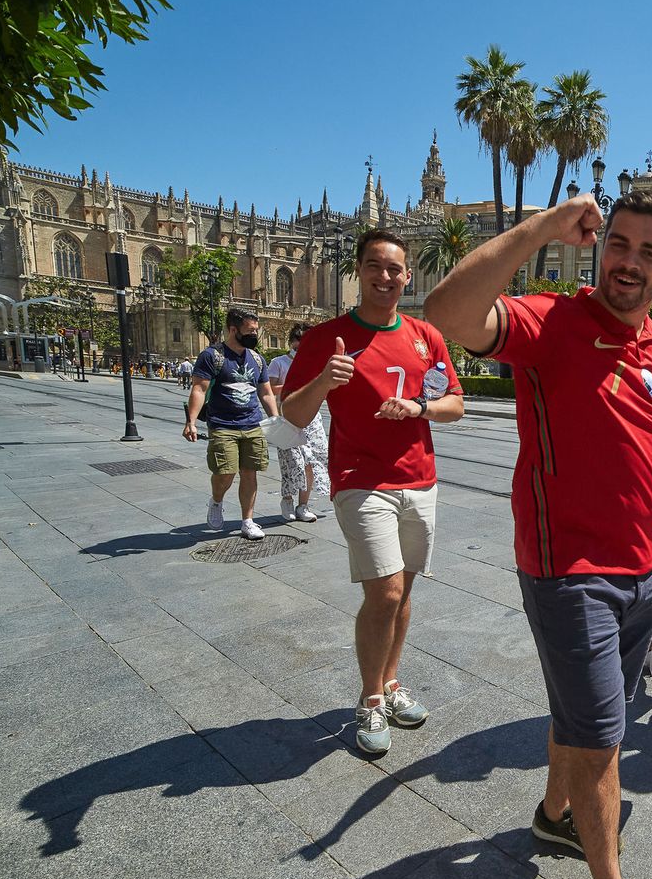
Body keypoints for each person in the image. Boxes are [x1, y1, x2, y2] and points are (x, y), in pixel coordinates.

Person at [426, 189, 652, 879]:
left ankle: (551, 816)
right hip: (569, 571)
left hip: (644, 572)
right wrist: (542, 225)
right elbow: (446, 311)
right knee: (603, 735)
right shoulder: (553, 322)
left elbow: (646, 456)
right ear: (599, 244)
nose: (630, 262)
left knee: (581, 713)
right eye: (620, 243)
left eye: (649, 252)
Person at [284, 228, 464, 757]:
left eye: (394, 269)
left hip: (419, 478)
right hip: (361, 480)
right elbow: (293, 415)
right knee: (384, 592)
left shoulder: (425, 337)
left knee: (403, 592)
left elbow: (455, 403)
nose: (385, 277)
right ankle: (369, 700)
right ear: (358, 271)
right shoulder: (327, 338)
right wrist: (324, 380)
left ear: (406, 276)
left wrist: (419, 408)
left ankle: (390, 681)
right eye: (374, 266)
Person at [182, 308, 279, 539]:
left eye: (256, 330)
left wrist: (276, 419)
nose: (254, 335)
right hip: (222, 424)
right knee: (225, 472)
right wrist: (191, 422)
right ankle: (216, 500)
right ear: (233, 330)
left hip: (252, 423)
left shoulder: (257, 359)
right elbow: (199, 389)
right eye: (250, 331)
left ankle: (248, 521)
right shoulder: (212, 356)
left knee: (250, 473)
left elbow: (266, 393)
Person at [266, 324, 330, 523]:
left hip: (312, 418)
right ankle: (287, 499)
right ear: (292, 342)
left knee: (312, 461)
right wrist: (295, 386)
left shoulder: (315, 363)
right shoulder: (279, 362)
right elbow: (268, 390)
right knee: (292, 462)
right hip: (287, 419)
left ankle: (303, 505)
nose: (302, 347)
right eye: (299, 342)